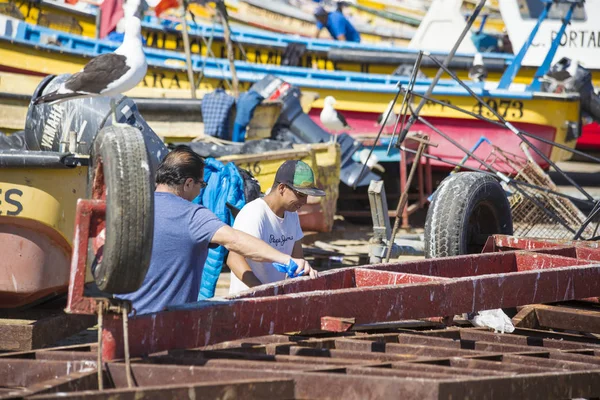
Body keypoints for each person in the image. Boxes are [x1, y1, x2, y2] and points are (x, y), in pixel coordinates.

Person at [117, 146, 316, 314]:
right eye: (201, 184)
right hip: (165, 324)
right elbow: (236, 241)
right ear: (188, 183)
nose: (201, 190)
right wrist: (285, 259)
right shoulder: (193, 215)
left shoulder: (129, 209)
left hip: (123, 319)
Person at [228, 160, 324, 295]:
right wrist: (261, 291)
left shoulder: (292, 215)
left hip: (272, 298)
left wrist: (304, 273)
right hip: (247, 300)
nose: (305, 201)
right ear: (282, 188)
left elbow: (297, 258)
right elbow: (233, 259)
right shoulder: (254, 213)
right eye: (301, 195)